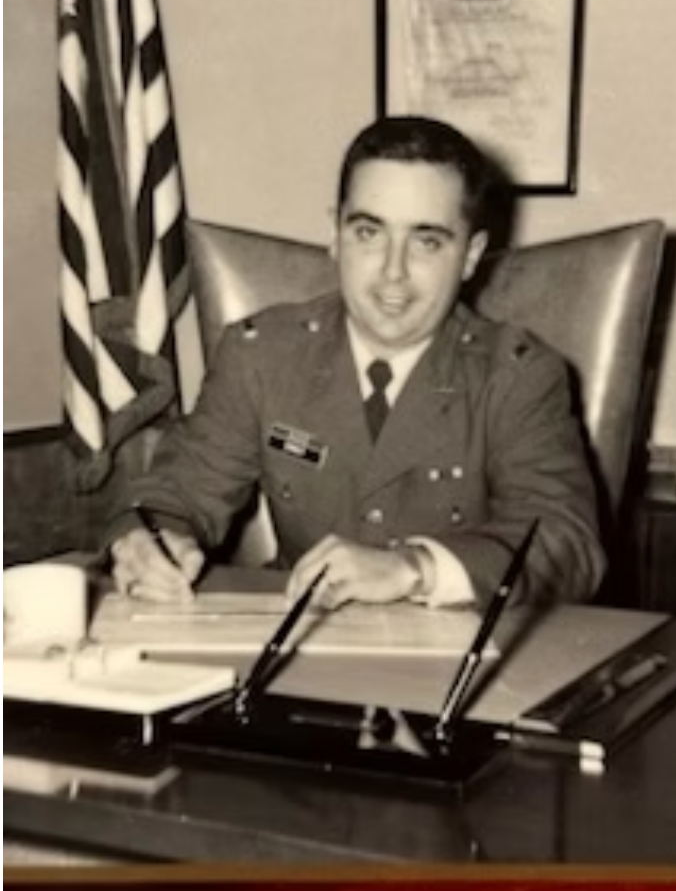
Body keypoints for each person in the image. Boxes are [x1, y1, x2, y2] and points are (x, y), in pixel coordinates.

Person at [107, 116, 606, 610]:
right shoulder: (262, 355)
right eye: (369, 232)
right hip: (294, 650)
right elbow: (175, 492)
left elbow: (566, 543)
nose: (393, 272)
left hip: (461, 665)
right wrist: (152, 542)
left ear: (471, 255)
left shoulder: (517, 376)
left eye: (427, 241)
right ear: (335, 233)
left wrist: (416, 569)